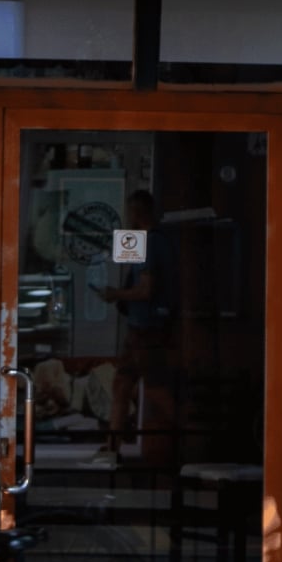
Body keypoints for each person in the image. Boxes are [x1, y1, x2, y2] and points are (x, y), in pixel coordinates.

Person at [92, 189, 177, 456]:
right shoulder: (156, 241)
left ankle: (183, 437)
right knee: (123, 383)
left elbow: (145, 289)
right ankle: (112, 444)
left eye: (129, 212)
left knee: (153, 387)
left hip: (146, 328)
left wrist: (115, 294)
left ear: (137, 212)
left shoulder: (150, 243)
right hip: (140, 326)